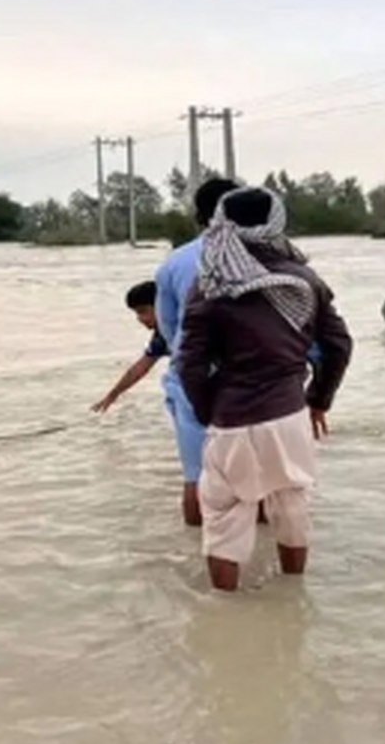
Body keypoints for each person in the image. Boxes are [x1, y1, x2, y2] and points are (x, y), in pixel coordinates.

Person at [178, 185, 352, 592]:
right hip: (290, 414)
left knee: (223, 518)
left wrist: (208, 410)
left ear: (223, 221)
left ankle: (225, 614)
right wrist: (318, 401)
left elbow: (189, 362)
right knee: (291, 506)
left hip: (232, 418)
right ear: (277, 221)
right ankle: (294, 596)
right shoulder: (305, 279)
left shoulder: (211, 283)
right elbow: (339, 345)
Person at [154, 178, 240, 527]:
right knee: (261, 483)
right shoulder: (272, 258)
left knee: (196, 477)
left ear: (197, 217)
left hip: (193, 379)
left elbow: (169, 329)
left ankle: (196, 561)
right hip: (255, 383)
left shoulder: (174, 263)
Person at [91, 281, 170, 413]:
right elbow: (141, 367)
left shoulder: (189, 326)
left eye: (143, 311)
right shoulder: (162, 335)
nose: (140, 318)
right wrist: (113, 395)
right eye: (137, 313)